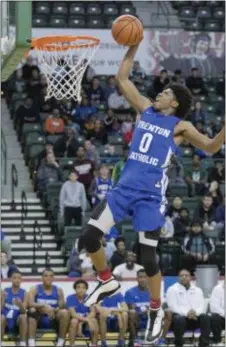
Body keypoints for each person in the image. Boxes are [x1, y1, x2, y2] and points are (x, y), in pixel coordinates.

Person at [78, 41, 225, 344]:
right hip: (123, 189)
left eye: (167, 93)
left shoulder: (180, 126)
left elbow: (211, 146)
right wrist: (132, 48)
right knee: (89, 238)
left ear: (175, 103)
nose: (160, 93)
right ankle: (106, 281)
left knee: (148, 257)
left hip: (149, 196)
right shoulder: (145, 109)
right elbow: (122, 80)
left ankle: (156, 310)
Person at [166, 269, 210, 347]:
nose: (184, 277)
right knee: (179, 318)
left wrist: (195, 313)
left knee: (205, 317)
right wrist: (187, 313)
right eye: (181, 276)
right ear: (178, 278)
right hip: (179, 320)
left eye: (186, 275)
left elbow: (202, 306)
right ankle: (179, 343)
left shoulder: (198, 290)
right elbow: (173, 306)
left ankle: (204, 343)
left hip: (195, 318)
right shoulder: (172, 289)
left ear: (190, 278)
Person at [27, 268, 70, 347]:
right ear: (42, 277)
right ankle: (31, 342)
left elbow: (61, 306)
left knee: (65, 312)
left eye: (51, 276)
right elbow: (30, 303)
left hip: (53, 318)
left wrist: (54, 309)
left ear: (53, 278)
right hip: (39, 318)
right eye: (46, 276)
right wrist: (43, 306)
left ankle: (61, 341)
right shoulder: (34, 289)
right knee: (32, 311)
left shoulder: (58, 290)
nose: (48, 278)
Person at [66, 280, 99, 347]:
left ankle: (94, 344)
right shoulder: (70, 298)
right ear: (75, 289)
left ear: (86, 289)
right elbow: (73, 314)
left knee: (94, 320)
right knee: (74, 321)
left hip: (86, 323)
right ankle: (72, 344)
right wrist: (86, 320)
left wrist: (82, 323)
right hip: (75, 323)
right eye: (79, 287)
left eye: (83, 288)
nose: (81, 289)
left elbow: (93, 312)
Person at [1, 271, 28, 346]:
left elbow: (23, 312)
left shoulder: (24, 293)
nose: (17, 280)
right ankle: (1, 343)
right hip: (5, 321)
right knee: (2, 317)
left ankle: (22, 343)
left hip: (17, 321)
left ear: (21, 280)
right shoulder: (4, 291)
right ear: (11, 279)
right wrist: (2, 300)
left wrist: (20, 305)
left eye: (19, 278)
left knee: (23, 317)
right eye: (15, 278)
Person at [125, 269, 150, 346]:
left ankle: (157, 338)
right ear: (137, 279)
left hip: (150, 319)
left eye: (145, 277)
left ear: (148, 278)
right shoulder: (130, 292)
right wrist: (146, 311)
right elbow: (131, 310)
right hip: (136, 320)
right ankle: (134, 339)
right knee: (132, 313)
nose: (142, 279)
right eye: (140, 277)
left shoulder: (153, 292)